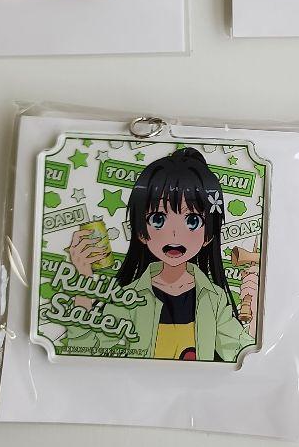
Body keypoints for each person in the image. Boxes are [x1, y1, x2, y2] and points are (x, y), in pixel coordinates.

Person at [65, 148, 252, 362]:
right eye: (158, 219)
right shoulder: (128, 299)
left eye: (192, 221)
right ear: (140, 232)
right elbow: (87, 352)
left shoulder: (214, 299)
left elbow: (240, 351)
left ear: (208, 235)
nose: (174, 234)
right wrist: (83, 280)